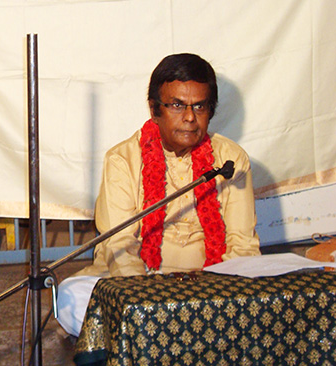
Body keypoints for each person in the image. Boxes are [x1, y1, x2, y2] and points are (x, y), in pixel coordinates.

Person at [56, 53, 261, 336]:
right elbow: (121, 243)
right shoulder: (123, 159)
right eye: (177, 105)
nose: (190, 117)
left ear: (210, 111)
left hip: (210, 287)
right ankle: (173, 334)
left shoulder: (229, 160)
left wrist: (221, 295)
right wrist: (148, 301)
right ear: (154, 109)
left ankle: (154, 338)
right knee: (70, 297)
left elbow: (242, 244)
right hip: (140, 284)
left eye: (199, 106)